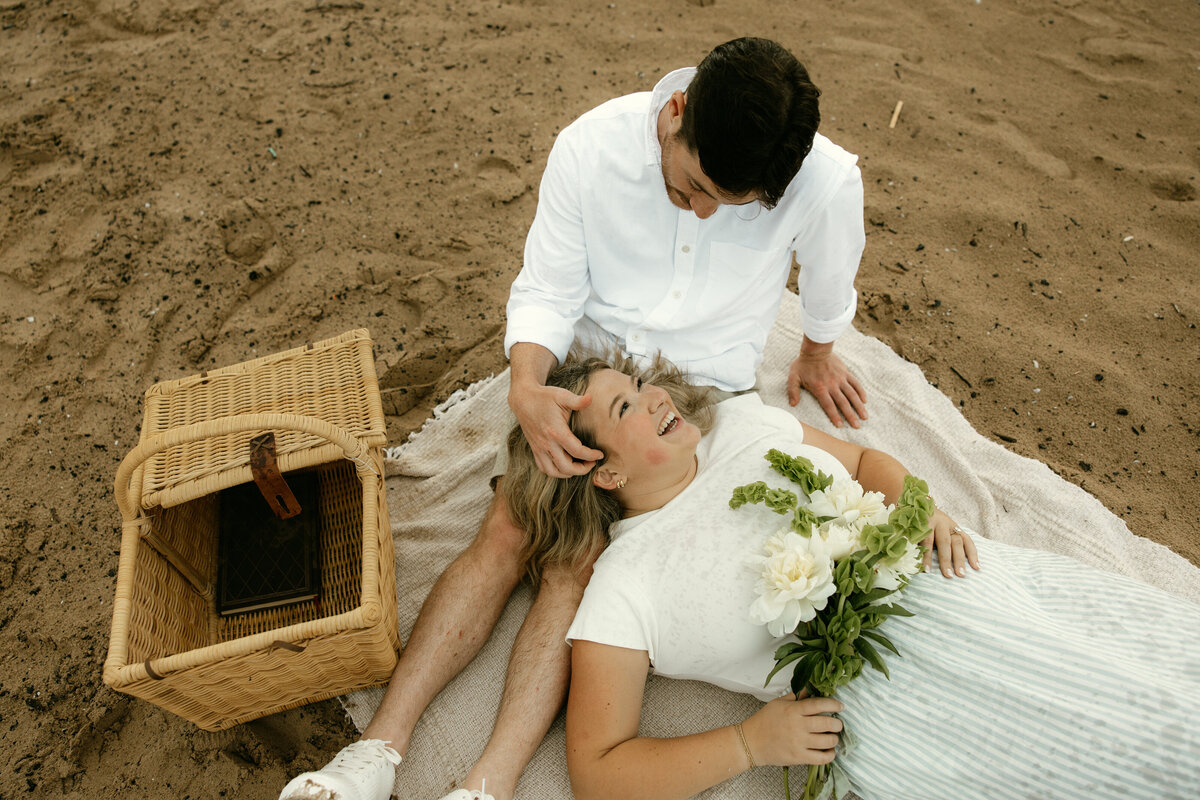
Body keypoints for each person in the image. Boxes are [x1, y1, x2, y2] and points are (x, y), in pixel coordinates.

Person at [281, 37, 868, 800]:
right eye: (691, 185)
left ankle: (485, 786)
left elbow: (828, 276)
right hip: (593, 377)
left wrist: (818, 351)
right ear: (677, 110)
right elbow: (548, 290)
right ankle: (372, 757)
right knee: (507, 526)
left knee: (575, 566)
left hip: (705, 394)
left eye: (726, 204)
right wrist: (527, 387)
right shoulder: (590, 147)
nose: (698, 209)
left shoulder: (821, 179)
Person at [499, 355, 1200, 800]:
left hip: (942, 580)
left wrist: (924, 507)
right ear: (607, 472)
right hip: (883, 687)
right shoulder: (625, 585)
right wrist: (749, 745)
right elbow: (597, 767)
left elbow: (866, 468)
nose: (654, 398)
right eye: (625, 409)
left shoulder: (739, 426)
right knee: (1115, 759)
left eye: (638, 386)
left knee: (1157, 683)